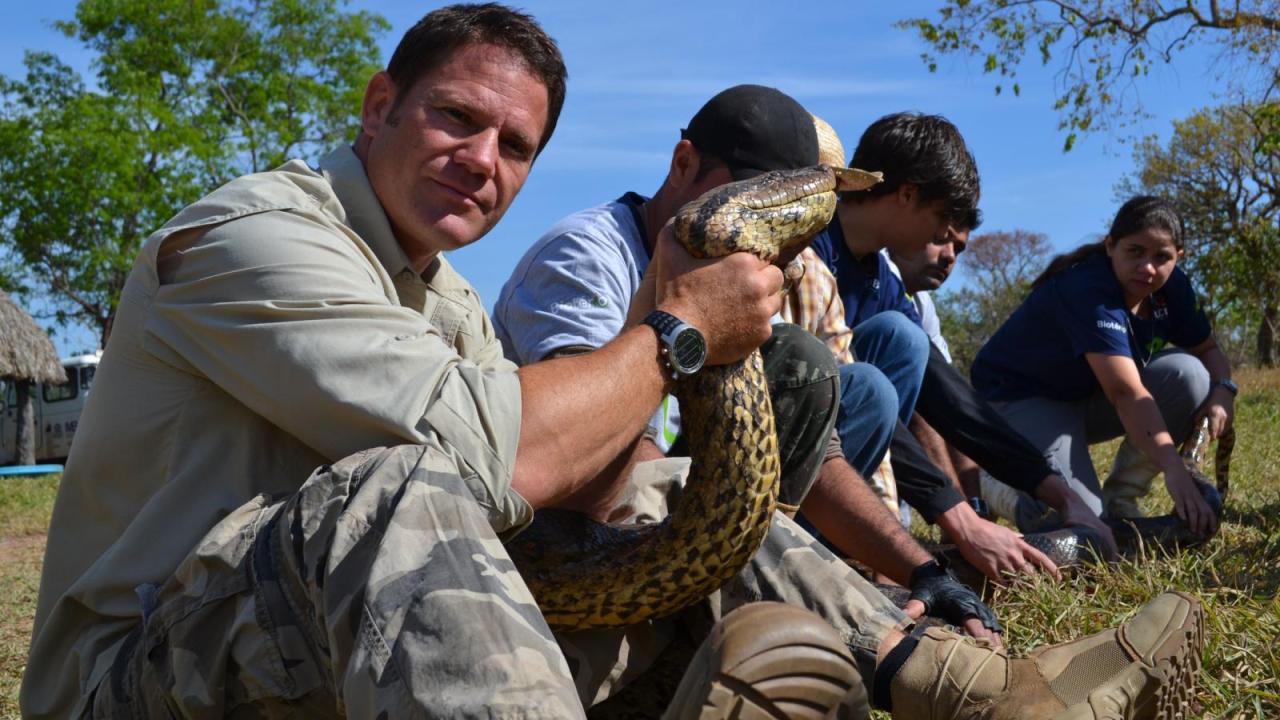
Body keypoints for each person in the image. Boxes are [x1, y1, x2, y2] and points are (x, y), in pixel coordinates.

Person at [21, 6, 1206, 717]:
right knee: (403, 485)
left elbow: (585, 481)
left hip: (335, 648)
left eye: (515, 145)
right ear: (379, 104)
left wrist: (668, 338)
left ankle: (968, 690)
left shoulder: (445, 297)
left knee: (666, 488)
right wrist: (672, 332)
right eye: (453, 119)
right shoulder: (250, 234)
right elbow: (482, 457)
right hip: (137, 680)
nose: (482, 160)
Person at [495, 85, 998, 633]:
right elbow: (583, 452)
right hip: (575, 538)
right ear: (683, 163)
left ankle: (775, 606)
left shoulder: (739, 274)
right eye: (748, 190)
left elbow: (821, 459)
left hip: (691, 522)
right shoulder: (585, 256)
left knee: (800, 362)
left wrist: (922, 566)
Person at [804, 112, 1116, 580]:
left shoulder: (879, 276)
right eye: (941, 218)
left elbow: (952, 402)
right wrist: (957, 516)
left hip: (843, 455)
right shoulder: (811, 250)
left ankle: (858, 541)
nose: (944, 237)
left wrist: (1057, 492)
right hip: (797, 469)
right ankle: (841, 543)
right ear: (907, 194)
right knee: (873, 378)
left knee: (902, 338)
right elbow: (855, 404)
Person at [971, 196, 1233, 535]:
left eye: (1162, 257)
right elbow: (1125, 393)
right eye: (1135, 252)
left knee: (1191, 375)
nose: (1148, 267)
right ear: (1111, 246)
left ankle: (1122, 500)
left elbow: (1209, 350)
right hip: (1017, 401)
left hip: (1087, 397)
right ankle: (993, 484)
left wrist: (1224, 388)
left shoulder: (1172, 289)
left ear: (1178, 258)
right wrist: (1174, 468)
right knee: (1078, 522)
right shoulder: (1088, 289)